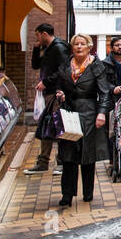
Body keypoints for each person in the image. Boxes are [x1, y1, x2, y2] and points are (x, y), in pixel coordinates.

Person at [46, 33, 111, 207]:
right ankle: (67, 194)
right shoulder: (66, 65)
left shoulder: (97, 66)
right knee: (68, 153)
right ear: (72, 47)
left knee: (87, 153)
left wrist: (102, 113)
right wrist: (60, 92)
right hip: (68, 111)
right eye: (76, 44)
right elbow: (58, 84)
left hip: (89, 111)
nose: (79, 47)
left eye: (83, 44)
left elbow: (104, 92)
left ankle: (88, 192)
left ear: (89, 47)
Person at [24, 21, 70, 174]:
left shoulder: (59, 47)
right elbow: (36, 66)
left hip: (56, 93)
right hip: (48, 93)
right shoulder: (47, 48)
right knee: (47, 126)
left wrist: (46, 82)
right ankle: (44, 161)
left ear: (44, 33)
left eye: (37, 35)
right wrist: (36, 49)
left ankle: (61, 162)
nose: (36, 38)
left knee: (58, 126)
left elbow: (64, 70)